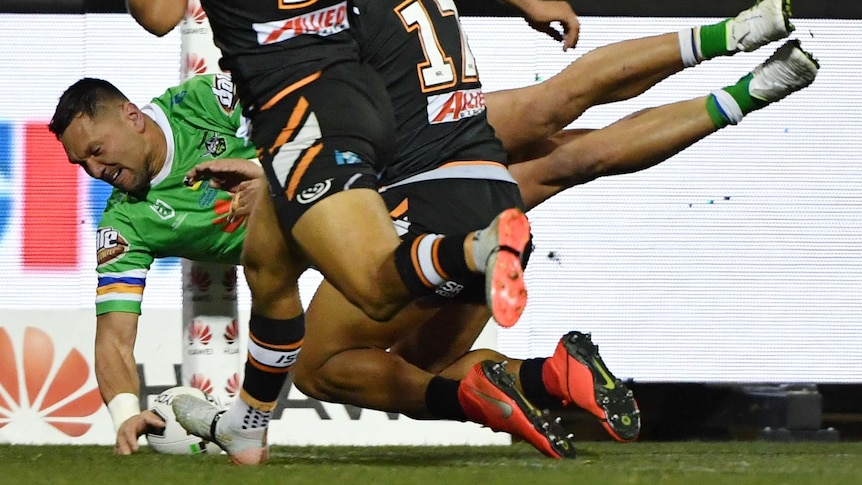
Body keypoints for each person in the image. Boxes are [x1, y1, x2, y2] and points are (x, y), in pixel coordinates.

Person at [172, 0, 817, 465]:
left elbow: (323, 118)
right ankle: (549, 376)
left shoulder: (332, 32)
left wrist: (275, 162)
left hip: (415, 183)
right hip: (483, 171)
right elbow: (568, 123)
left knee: (324, 363)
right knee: (565, 142)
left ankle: (261, 424)